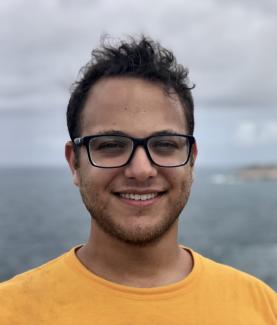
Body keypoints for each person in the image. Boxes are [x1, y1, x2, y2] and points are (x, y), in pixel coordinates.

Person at [0, 36, 276, 324]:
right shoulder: (10, 311)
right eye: (110, 145)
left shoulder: (261, 308)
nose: (142, 169)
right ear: (74, 163)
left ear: (192, 160)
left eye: (165, 144)